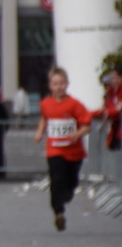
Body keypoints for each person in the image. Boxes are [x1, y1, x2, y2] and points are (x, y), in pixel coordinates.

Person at [32, 67, 93, 231]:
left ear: (67, 84)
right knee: (56, 179)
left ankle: (67, 195)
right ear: (50, 86)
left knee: (71, 182)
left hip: (74, 152)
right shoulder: (46, 103)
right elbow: (44, 119)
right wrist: (39, 133)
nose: (59, 87)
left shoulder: (75, 104)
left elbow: (88, 125)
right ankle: (59, 212)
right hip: (54, 149)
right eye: (55, 84)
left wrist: (77, 133)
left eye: (61, 83)